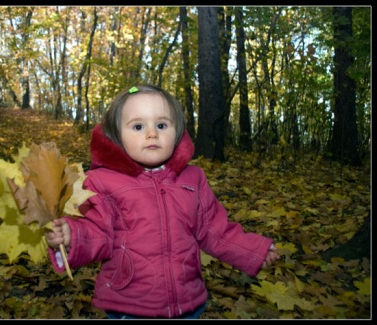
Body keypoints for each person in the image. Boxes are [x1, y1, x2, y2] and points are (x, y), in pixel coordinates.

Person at [45, 85, 280, 319]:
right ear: (116, 136)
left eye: (161, 125)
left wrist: (255, 250)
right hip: (131, 304)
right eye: (138, 126)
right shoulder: (103, 182)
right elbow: (97, 232)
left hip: (188, 302)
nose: (152, 133)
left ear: (177, 132)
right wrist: (71, 237)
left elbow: (215, 230)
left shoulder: (192, 179)